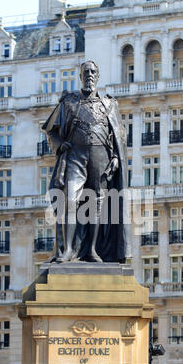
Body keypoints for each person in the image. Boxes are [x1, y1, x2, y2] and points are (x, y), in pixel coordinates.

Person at [42, 60, 131, 263]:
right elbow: (51, 131)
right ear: (81, 76)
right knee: (70, 200)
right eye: (86, 72)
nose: (89, 75)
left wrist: (116, 157)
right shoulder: (68, 103)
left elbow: (120, 136)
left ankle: (91, 250)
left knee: (97, 203)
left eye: (93, 72)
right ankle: (68, 250)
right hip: (75, 155)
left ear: (97, 76)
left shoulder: (109, 104)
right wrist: (59, 145)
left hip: (101, 157)